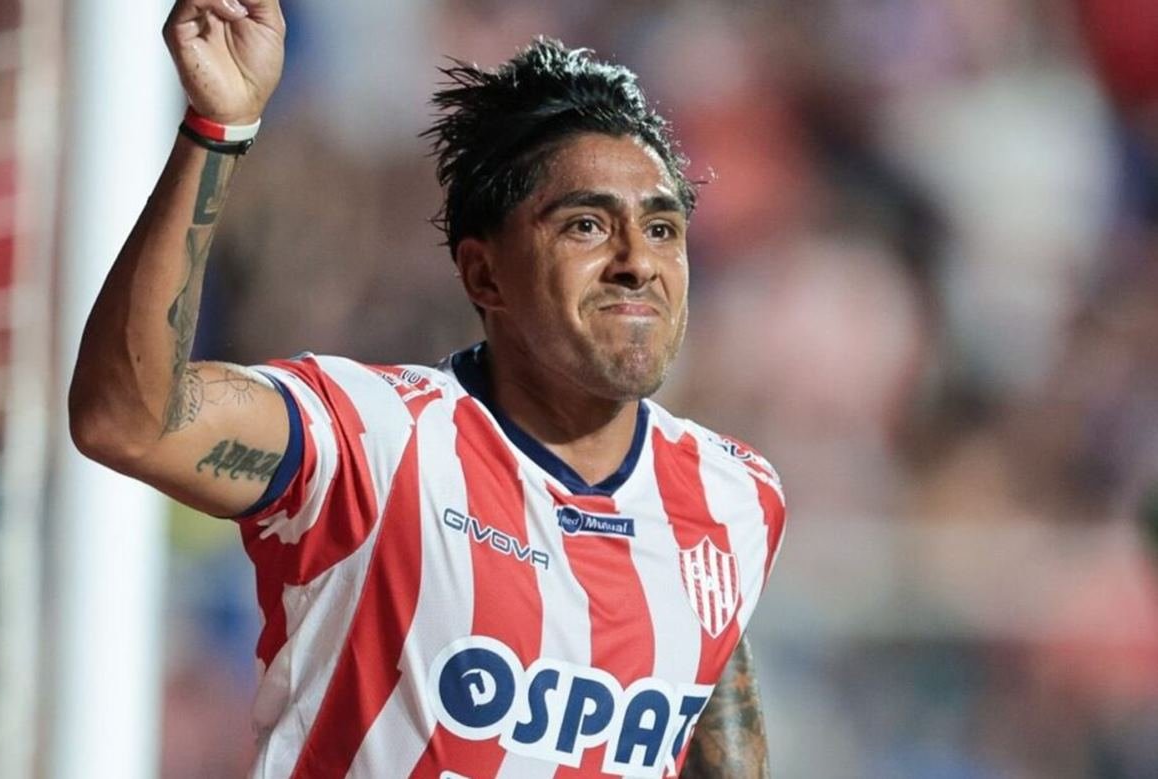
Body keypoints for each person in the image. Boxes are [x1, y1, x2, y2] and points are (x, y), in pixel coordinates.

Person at [68, 0, 788, 776]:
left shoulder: (735, 498)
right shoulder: (371, 441)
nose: (638, 261)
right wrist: (217, 130)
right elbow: (126, 421)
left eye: (662, 228)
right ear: (484, 273)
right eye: (586, 225)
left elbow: (711, 707)